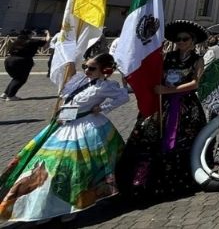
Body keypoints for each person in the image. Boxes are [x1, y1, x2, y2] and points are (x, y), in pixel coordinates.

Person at [0, 53, 128, 223]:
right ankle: (44, 207)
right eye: (85, 66)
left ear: (104, 70)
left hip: (85, 128)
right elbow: (65, 97)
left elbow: (123, 96)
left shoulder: (104, 86)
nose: (87, 70)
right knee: (45, 166)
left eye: (91, 68)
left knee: (71, 169)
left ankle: (70, 204)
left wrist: (103, 107)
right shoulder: (80, 80)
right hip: (63, 126)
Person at [117, 21, 207, 201]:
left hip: (185, 105)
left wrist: (170, 90)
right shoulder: (167, 57)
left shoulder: (197, 60)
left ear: (193, 41)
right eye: (178, 39)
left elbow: (196, 83)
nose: (181, 42)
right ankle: (139, 179)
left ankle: (179, 179)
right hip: (162, 104)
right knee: (148, 136)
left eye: (185, 39)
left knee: (183, 140)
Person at [2, 31, 48, 101]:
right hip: (22, 61)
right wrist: (48, 33)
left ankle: (5, 93)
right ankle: (11, 96)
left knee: (16, 78)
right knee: (20, 79)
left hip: (9, 60)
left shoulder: (17, 41)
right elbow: (46, 41)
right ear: (28, 35)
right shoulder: (32, 41)